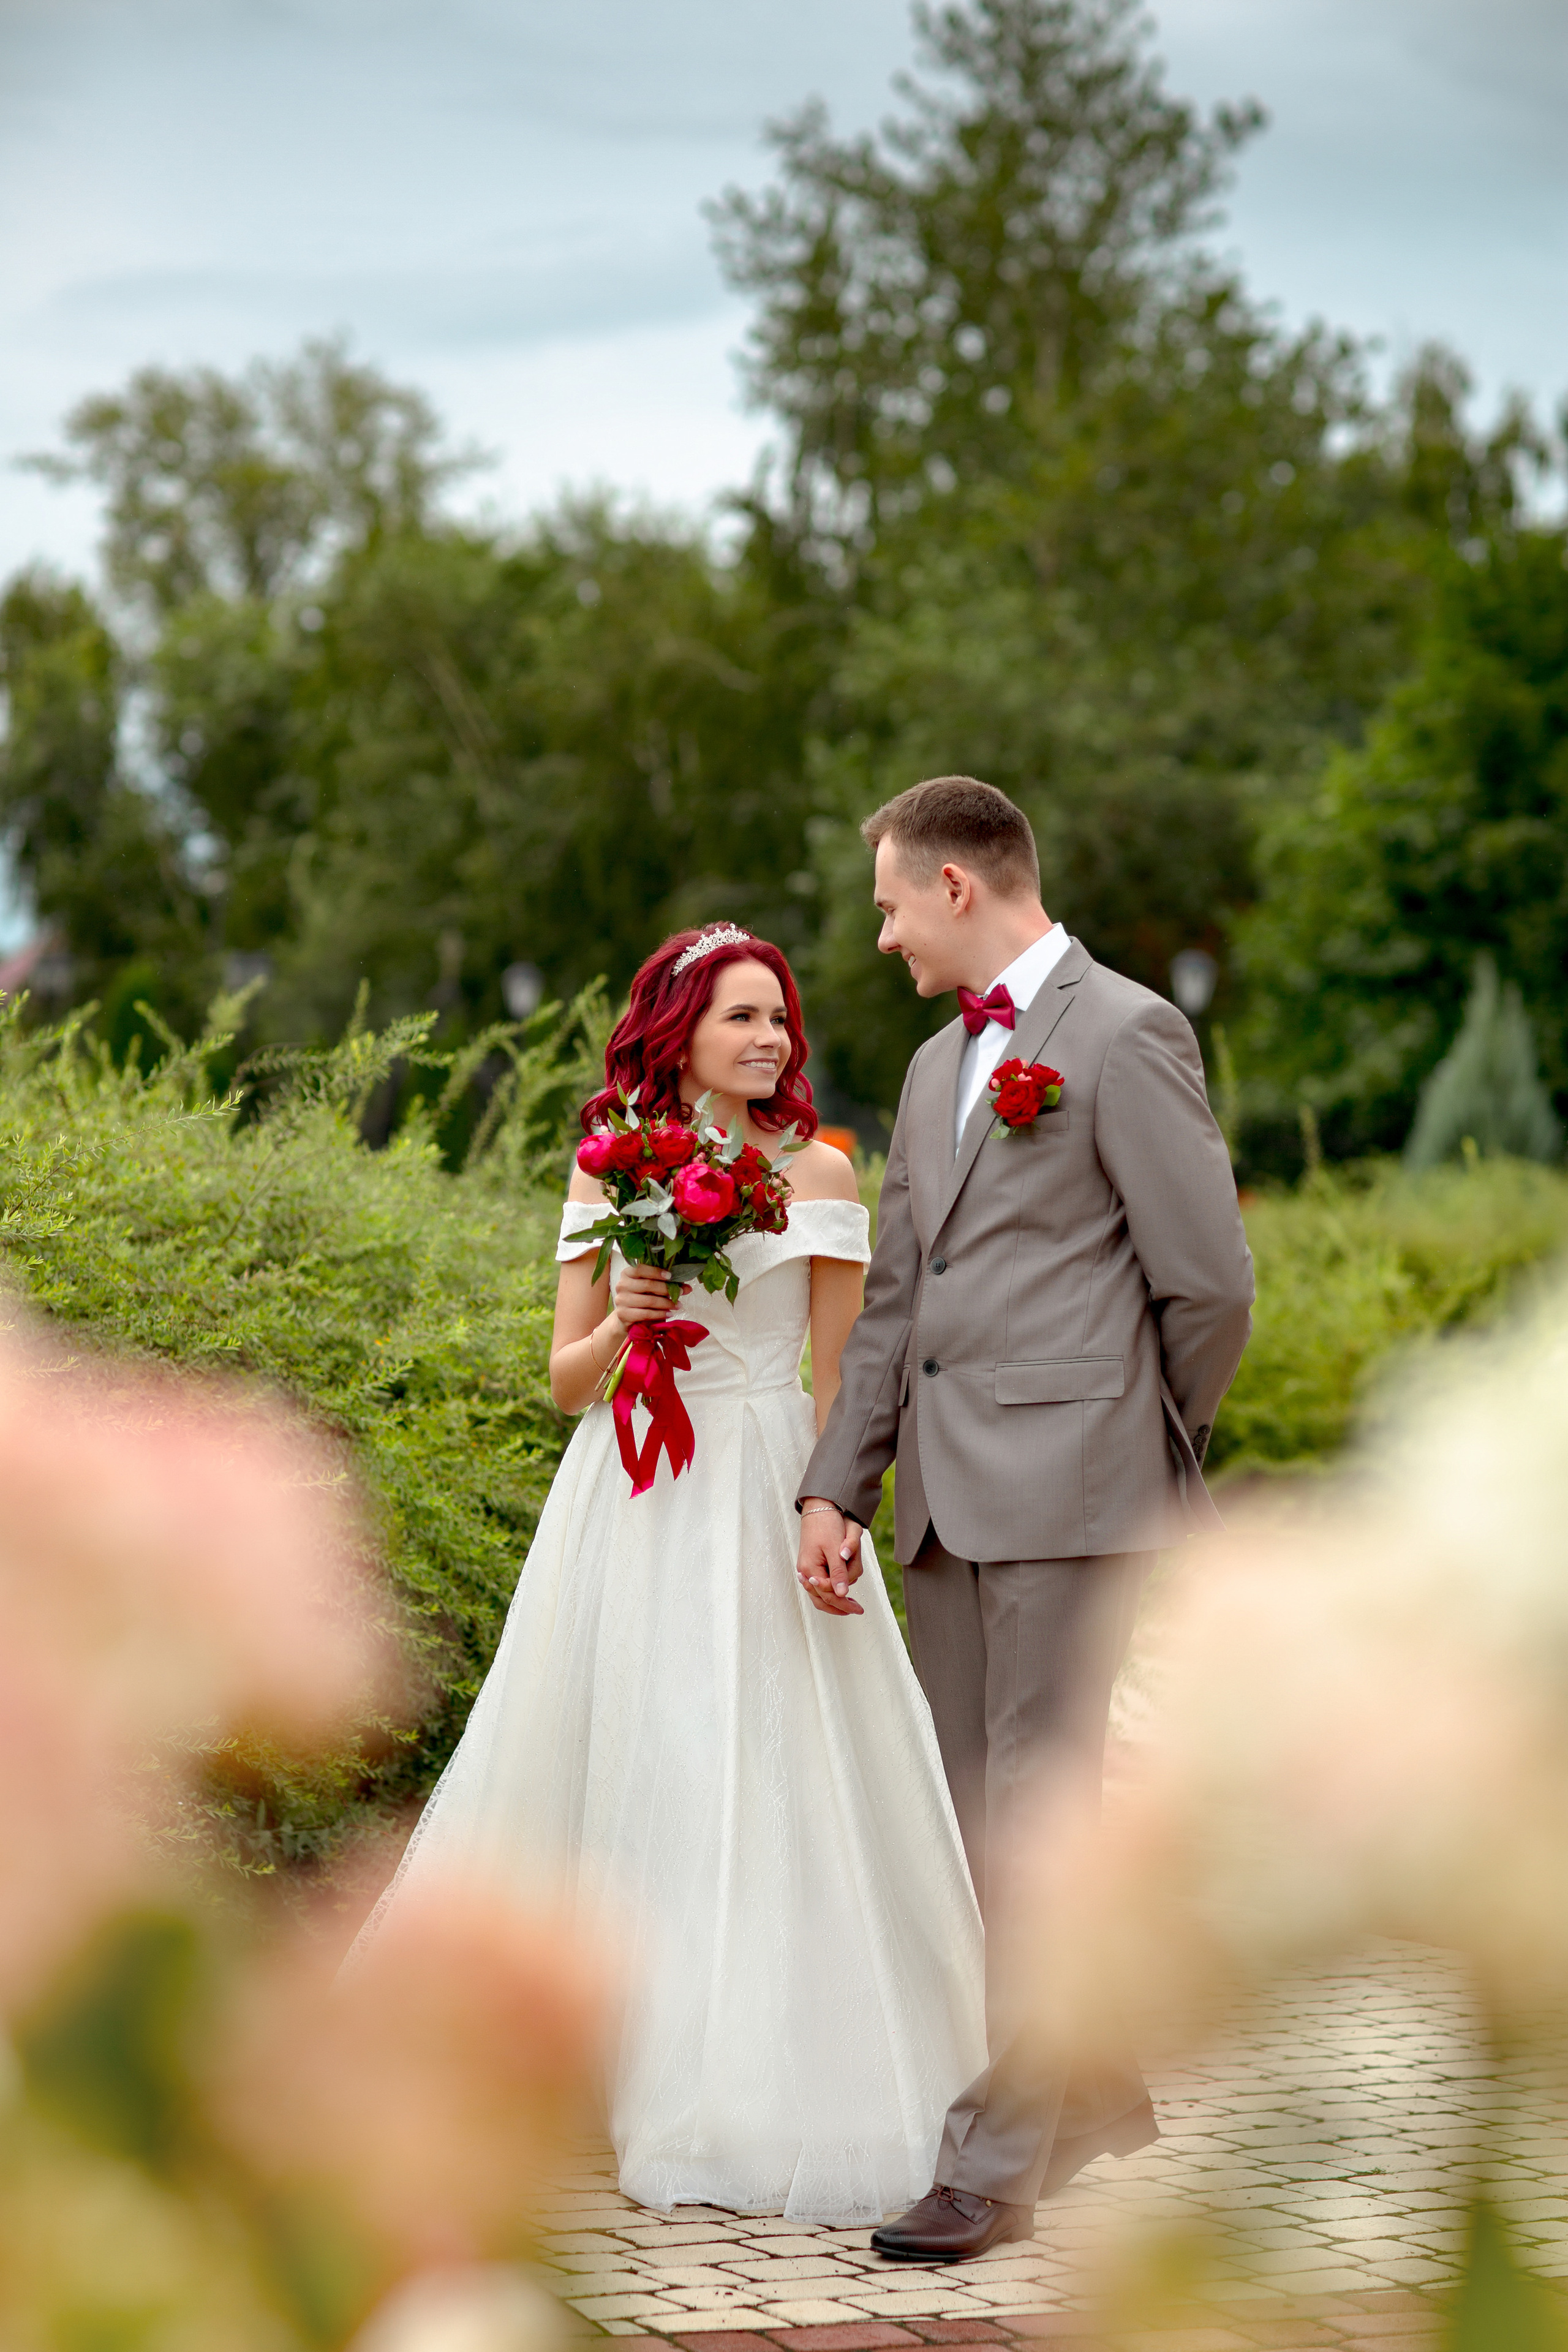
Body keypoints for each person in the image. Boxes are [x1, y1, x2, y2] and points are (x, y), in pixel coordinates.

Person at [356, 922, 985, 2225]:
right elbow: (563, 1380)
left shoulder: (820, 1168)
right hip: (635, 1493)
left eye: (778, 1018)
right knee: (640, 1758)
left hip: (764, 1481)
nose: (768, 1039)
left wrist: (833, 1507)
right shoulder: (611, 1165)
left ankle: (751, 2079)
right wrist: (628, 1319)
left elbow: (835, 1375)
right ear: (680, 1030)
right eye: (740, 1016)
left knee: (768, 1765)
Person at [796, 776, 1255, 2263]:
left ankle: (988, 2168)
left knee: (1035, 1829)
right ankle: (1093, 2085)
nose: (880, 938)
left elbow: (1207, 1286)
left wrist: (1133, 1444)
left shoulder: (1126, 1033)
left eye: (887, 907)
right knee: (983, 1833)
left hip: (1072, 1497)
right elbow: (895, 1301)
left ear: (954, 887)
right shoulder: (933, 1067)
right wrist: (836, 1480)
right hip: (939, 1508)